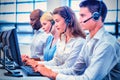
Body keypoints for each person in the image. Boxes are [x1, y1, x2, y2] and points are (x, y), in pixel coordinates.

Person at [32, 1, 120, 80]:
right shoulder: (88, 40)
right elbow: (75, 70)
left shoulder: (106, 44)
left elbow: (88, 78)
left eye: (82, 16)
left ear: (96, 17)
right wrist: (45, 70)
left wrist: (52, 74)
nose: (79, 20)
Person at [25, 6, 86, 72]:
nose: (56, 25)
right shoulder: (61, 39)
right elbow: (55, 62)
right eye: (55, 22)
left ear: (68, 20)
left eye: (57, 21)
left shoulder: (79, 42)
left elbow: (68, 67)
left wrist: (43, 69)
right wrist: (37, 64)